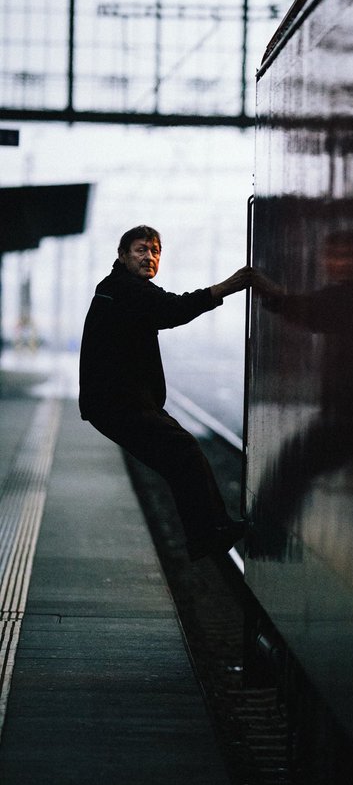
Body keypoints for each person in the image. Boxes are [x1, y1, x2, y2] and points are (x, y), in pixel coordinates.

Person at [79, 224, 250, 560]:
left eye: (155, 251)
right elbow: (173, 309)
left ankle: (209, 533)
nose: (150, 257)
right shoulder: (123, 288)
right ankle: (207, 536)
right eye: (141, 249)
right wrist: (228, 286)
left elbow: (163, 308)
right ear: (122, 255)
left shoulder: (126, 289)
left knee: (180, 458)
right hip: (118, 403)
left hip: (125, 402)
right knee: (184, 450)